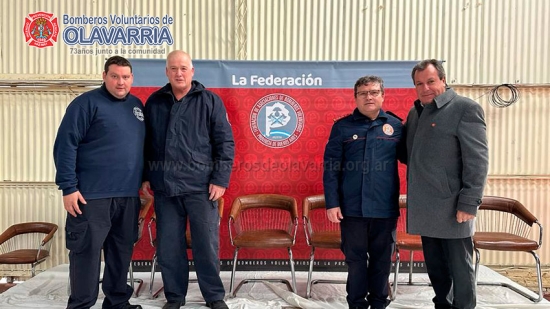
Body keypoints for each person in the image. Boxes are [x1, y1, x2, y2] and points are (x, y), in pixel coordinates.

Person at [141, 50, 234, 309]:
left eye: (183, 68)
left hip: (201, 188)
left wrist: (220, 179)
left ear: (192, 72)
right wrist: (147, 176)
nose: (179, 73)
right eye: (173, 68)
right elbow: (147, 144)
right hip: (165, 188)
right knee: (169, 247)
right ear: (166, 72)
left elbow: (224, 142)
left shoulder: (210, 101)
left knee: (206, 246)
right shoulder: (155, 102)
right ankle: (175, 296)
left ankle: (214, 296)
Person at [53, 56, 145, 309]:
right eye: (115, 76)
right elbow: (65, 145)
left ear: (132, 79)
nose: (120, 82)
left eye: (125, 77)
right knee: (86, 253)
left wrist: (145, 180)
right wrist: (68, 187)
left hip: (128, 195)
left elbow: (140, 148)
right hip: (90, 196)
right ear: (104, 76)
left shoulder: (137, 107)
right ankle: (81, 304)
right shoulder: (85, 104)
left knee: (120, 252)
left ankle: (117, 302)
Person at [404, 59, 489, 309]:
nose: (425, 88)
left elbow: (478, 161)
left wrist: (469, 203)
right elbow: (408, 153)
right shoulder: (415, 112)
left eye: (430, 81)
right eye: (419, 83)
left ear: (443, 79)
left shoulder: (465, 109)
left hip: (454, 209)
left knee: (460, 271)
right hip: (425, 208)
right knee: (437, 270)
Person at [323, 75, 405, 309]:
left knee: (381, 262)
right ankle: (356, 304)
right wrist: (332, 203)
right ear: (356, 96)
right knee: (356, 261)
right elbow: (331, 168)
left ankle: (379, 304)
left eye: (374, 92)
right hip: (352, 209)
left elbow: (414, 160)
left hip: (384, 208)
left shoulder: (396, 126)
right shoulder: (342, 127)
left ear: (382, 95)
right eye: (363, 93)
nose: (369, 96)